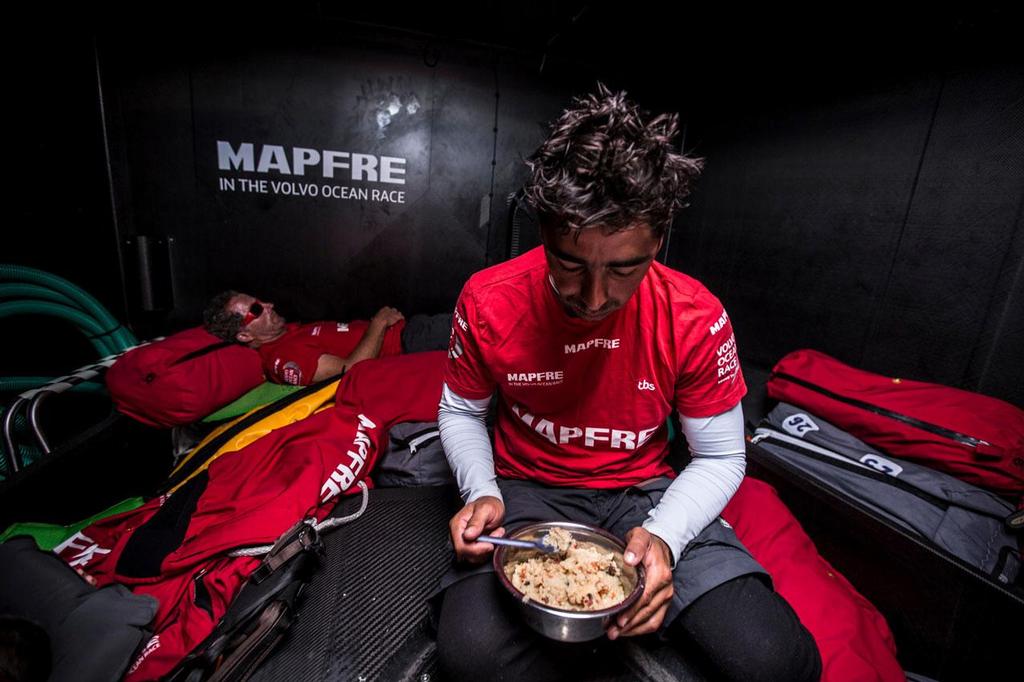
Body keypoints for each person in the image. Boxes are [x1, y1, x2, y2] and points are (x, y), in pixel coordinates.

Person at [434, 86, 822, 681]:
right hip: (526, 488)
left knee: (778, 663)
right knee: (470, 656)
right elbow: (461, 412)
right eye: (569, 263)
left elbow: (721, 455)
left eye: (622, 268)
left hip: (643, 495)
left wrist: (664, 539)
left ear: (657, 241)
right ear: (543, 234)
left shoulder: (695, 314)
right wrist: (481, 490)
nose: (594, 298)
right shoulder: (487, 299)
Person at [202, 291, 405, 385]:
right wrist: (379, 322)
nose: (269, 305)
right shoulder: (283, 357)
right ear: (245, 335)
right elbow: (352, 372)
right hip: (408, 347)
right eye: (256, 309)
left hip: (407, 331)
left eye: (260, 301)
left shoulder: (285, 335)